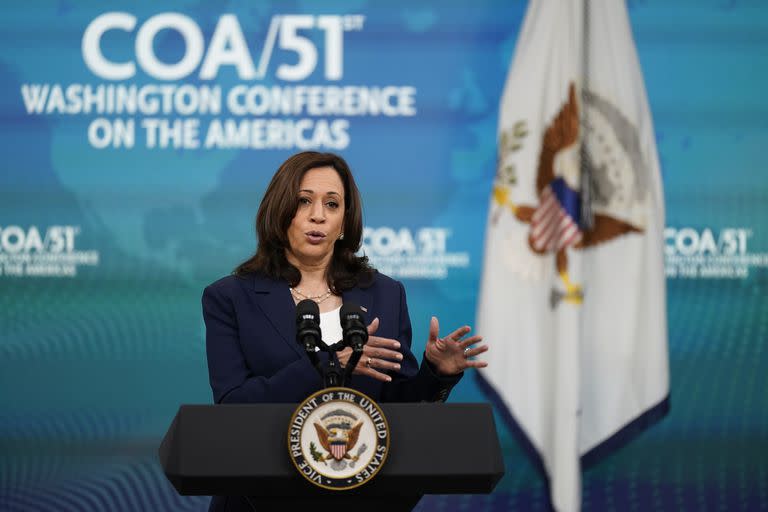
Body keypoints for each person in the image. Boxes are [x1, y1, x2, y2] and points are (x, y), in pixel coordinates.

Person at [203, 151, 488, 511]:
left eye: (332, 204)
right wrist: (327, 365)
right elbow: (232, 406)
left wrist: (436, 374)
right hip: (258, 500)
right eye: (303, 200)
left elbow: (398, 406)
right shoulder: (231, 297)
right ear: (279, 210)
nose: (317, 214)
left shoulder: (385, 293)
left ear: (344, 222)